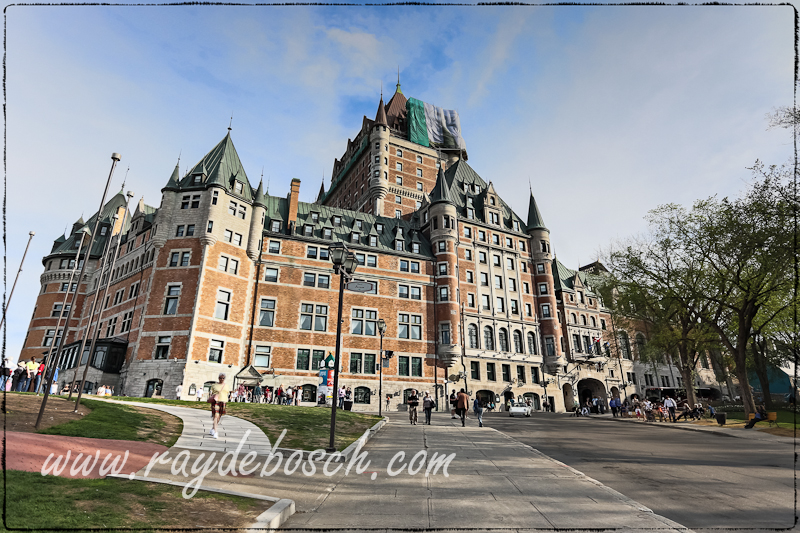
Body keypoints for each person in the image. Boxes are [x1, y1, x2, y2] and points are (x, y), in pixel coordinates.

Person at [209, 373, 229, 439]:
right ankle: (216, 432)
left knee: (219, 416)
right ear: (218, 378)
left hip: (223, 401)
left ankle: (213, 428)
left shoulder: (227, 386)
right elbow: (211, 393)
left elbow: (227, 393)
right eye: (220, 378)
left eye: (223, 378)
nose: (222, 379)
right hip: (216, 401)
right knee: (215, 416)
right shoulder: (214, 385)